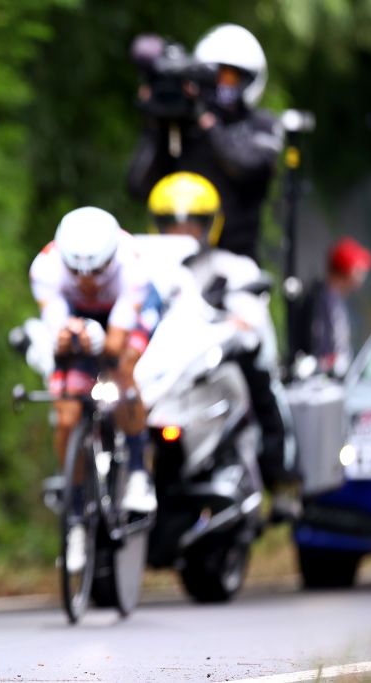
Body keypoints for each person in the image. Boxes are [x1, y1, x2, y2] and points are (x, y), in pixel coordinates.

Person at [147, 172, 299, 512]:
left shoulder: (232, 268)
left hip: (216, 363)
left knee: (261, 381)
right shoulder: (148, 270)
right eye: (173, 224)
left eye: (191, 224)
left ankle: (281, 474)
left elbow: (249, 321)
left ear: (209, 224)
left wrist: (230, 323)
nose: (182, 233)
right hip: (164, 370)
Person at [29, 207, 158, 571]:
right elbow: (59, 338)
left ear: (111, 260)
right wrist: (71, 338)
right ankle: (74, 515)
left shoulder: (133, 264)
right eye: (77, 272)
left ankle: (137, 472)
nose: (86, 280)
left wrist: (98, 340)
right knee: (67, 410)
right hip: (75, 315)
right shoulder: (46, 267)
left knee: (122, 367)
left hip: (122, 317)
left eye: (97, 271)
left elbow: (115, 344)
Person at [127, 24, 283, 263]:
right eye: (213, 75)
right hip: (176, 257)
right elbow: (138, 186)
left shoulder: (261, 125)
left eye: (228, 76)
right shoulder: (183, 123)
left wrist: (206, 121)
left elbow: (244, 166)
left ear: (249, 78)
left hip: (236, 262)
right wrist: (155, 124)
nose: (220, 85)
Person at [297, 237, 371, 376]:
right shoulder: (324, 300)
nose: (363, 274)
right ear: (347, 270)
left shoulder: (334, 298)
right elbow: (324, 349)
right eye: (358, 269)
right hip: (324, 380)